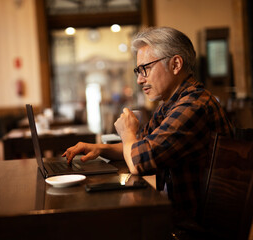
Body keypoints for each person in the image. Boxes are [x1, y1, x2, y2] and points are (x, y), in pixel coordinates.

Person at [62, 26, 233, 224]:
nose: (139, 79)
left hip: (193, 228)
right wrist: (99, 148)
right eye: (138, 71)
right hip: (178, 217)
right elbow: (140, 146)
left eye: (146, 68)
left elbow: (138, 161)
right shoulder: (172, 103)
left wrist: (127, 132)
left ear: (176, 64)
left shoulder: (194, 106)